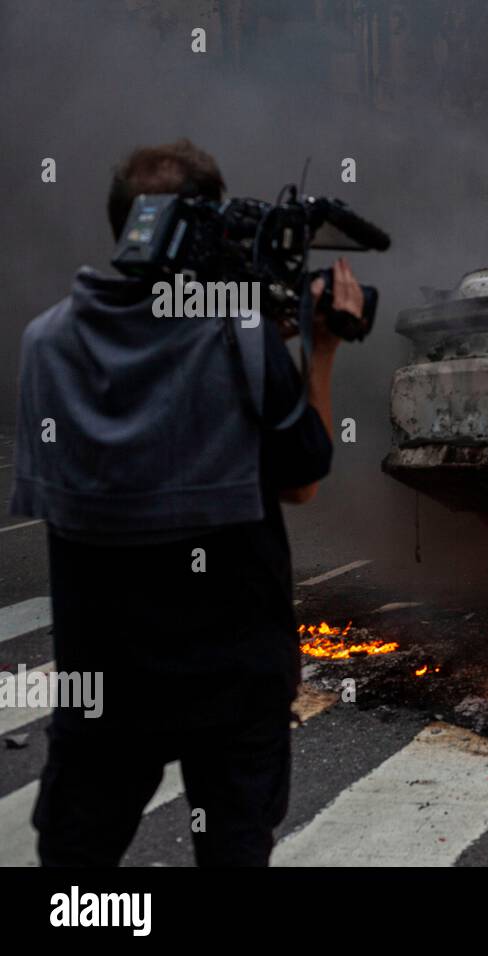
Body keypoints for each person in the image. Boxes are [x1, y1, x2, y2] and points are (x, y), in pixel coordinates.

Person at [10, 140, 359, 866]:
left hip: (102, 687)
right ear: (203, 225)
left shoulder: (42, 343)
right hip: (232, 686)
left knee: (77, 872)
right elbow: (301, 481)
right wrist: (318, 350)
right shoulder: (240, 337)